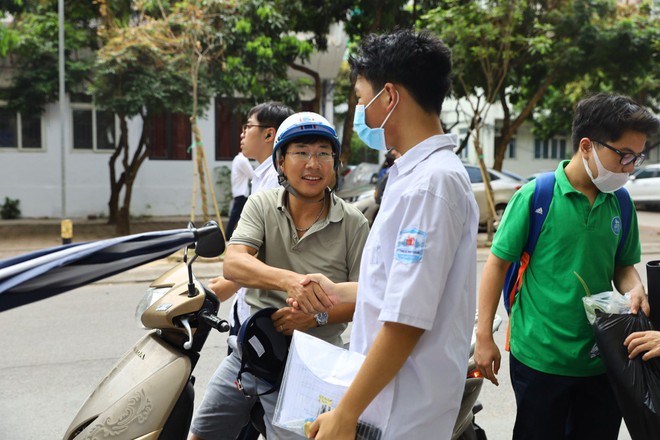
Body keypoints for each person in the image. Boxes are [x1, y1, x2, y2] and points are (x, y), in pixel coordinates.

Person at [290, 30, 479, 440]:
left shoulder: (432, 184)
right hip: (390, 402)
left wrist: (345, 412)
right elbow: (403, 289)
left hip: (406, 411)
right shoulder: (410, 175)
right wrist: (336, 292)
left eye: (361, 99)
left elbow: (407, 319)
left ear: (389, 97)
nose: (361, 112)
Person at [474, 93, 659, 440]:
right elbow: (496, 264)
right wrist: (485, 335)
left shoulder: (620, 201)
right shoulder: (536, 196)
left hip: (603, 358)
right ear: (587, 146)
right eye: (624, 155)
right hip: (540, 358)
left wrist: (634, 287)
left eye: (638, 157)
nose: (630, 167)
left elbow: (623, 265)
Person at [189, 112, 370, 440]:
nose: (313, 164)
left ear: (334, 164)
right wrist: (287, 281)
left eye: (323, 154)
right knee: (203, 433)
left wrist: (315, 317)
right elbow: (234, 263)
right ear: (281, 162)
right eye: (301, 152)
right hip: (250, 351)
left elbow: (365, 297)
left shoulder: (354, 223)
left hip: (313, 363)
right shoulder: (261, 204)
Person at [225, 152, 254, 240]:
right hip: (242, 193)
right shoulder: (243, 160)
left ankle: (229, 236)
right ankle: (228, 236)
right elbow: (252, 175)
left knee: (237, 216)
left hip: (238, 192)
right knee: (239, 216)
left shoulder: (237, 158)